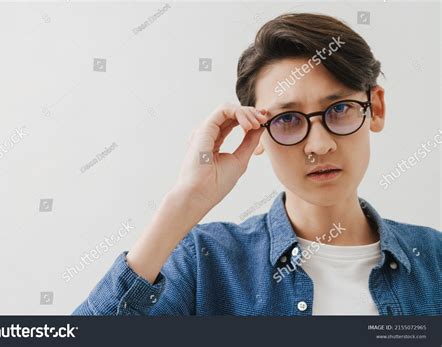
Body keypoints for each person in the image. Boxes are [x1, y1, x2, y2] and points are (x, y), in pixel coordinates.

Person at [72, 13, 441, 316]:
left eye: (340, 110)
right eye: (287, 120)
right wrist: (184, 203)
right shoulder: (206, 264)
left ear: (375, 108)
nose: (320, 144)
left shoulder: (435, 260)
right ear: (257, 132)